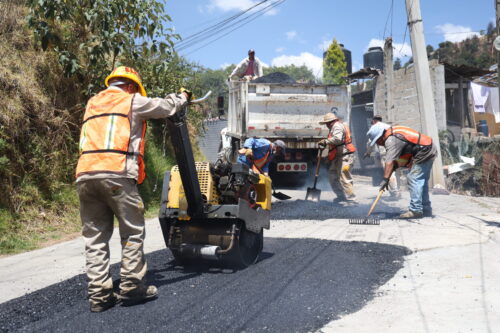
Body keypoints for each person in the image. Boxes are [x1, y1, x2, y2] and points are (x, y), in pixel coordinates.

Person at [75, 66, 190, 312]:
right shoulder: (131, 100)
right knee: (132, 232)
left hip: (85, 175)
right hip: (116, 173)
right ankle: (131, 288)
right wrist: (182, 97)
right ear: (130, 86)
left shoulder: (92, 103)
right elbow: (166, 107)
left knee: (95, 239)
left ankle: (99, 296)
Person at [366, 122, 437, 219]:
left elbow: (389, 162)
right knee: (421, 180)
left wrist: (385, 180)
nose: (378, 144)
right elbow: (396, 162)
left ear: (380, 136)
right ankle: (425, 208)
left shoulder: (391, 140)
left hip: (424, 150)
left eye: (377, 141)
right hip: (427, 148)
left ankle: (416, 210)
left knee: (414, 178)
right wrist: (391, 170)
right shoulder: (394, 133)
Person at [317, 112, 357, 203]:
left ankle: (351, 199)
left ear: (331, 122)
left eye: (326, 123)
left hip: (345, 156)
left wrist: (325, 141)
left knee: (344, 177)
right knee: (332, 176)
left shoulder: (337, 126)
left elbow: (338, 139)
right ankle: (341, 196)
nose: (326, 125)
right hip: (338, 157)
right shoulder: (334, 127)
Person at [364, 115, 400, 198]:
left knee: (389, 172)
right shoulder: (388, 127)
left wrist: (368, 152)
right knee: (395, 172)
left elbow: (370, 143)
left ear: (373, 121)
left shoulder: (375, 128)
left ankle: (395, 192)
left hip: (385, 154)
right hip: (396, 151)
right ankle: (397, 190)